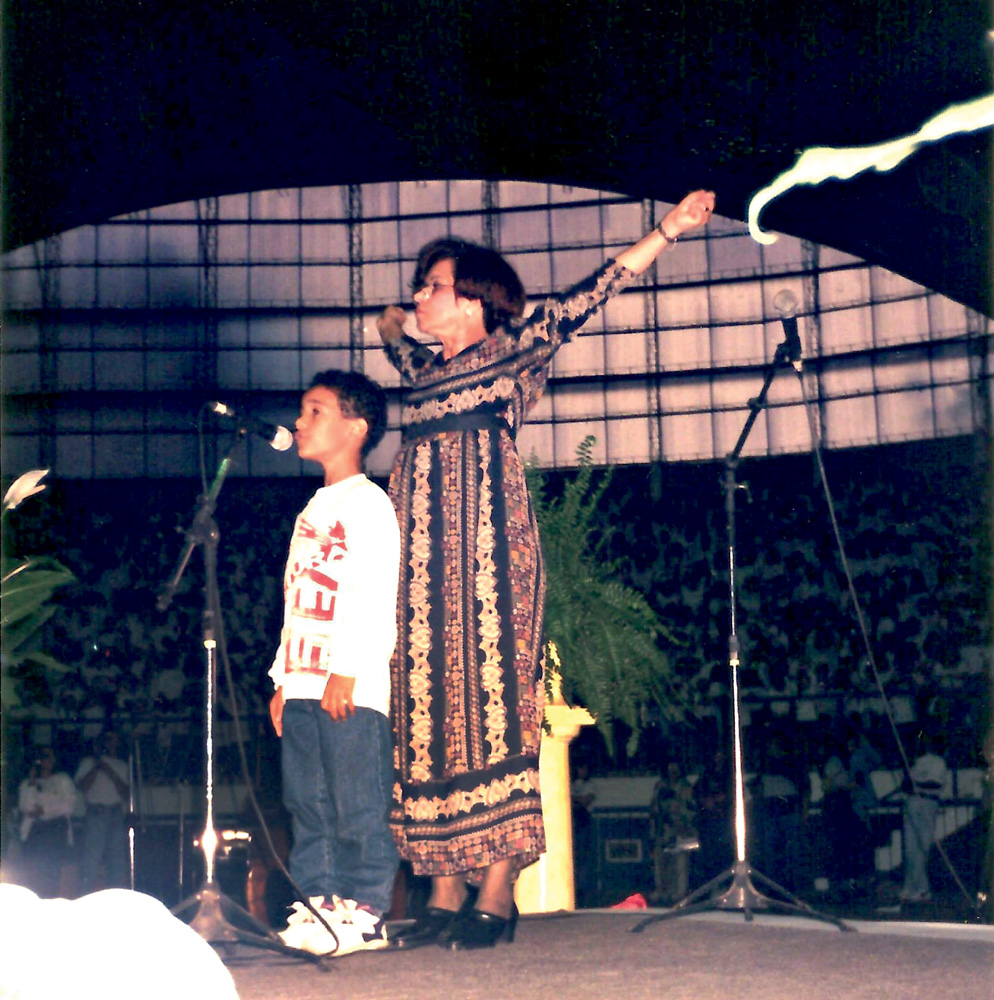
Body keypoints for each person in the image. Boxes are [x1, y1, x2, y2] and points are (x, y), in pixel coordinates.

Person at [378, 189, 715, 950]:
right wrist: (389, 326)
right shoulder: (418, 372)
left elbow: (593, 293)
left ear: (472, 303)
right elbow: (392, 338)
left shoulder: (516, 349)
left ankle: (497, 889)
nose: (420, 297)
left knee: (493, 709)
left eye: (432, 286)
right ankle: (443, 885)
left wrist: (666, 229)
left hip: (491, 557)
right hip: (420, 565)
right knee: (429, 712)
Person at [268, 369, 401, 956]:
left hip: (350, 679)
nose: (299, 422)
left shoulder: (369, 503)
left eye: (314, 411)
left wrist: (348, 667)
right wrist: (281, 679)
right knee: (307, 800)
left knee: (356, 799)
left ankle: (366, 908)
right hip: (302, 678)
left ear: (356, 427)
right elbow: (297, 595)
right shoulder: (313, 507)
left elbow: (374, 590)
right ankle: (319, 903)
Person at [16, 745, 77, 897]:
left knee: (52, 872)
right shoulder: (27, 784)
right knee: (33, 873)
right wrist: (32, 782)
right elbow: (26, 806)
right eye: (43, 757)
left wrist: (44, 810)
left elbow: (67, 806)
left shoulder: (63, 780)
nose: (47, 760)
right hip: (35, 831)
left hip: (55, 830)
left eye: (49, 756)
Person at [74, 731, 131, 894]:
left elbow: (126, 793)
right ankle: (84, 897)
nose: (111, 744)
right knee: (90, 860)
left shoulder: (122, 765)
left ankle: (116, 897)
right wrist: (97, 766)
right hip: (96, 812)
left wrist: (109, 770)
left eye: (114, 740)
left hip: (116, 813)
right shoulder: (88, 762)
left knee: (117, 861)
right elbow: (82, 786)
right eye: (108, 740)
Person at [900, 733, 948, 904]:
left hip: (927, 803)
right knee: (910, 848)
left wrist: (916, 785)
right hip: (912, 804)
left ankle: (922, 889)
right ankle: (911, 887)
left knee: (922, 848)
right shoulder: (915, 763)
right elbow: (906, 785)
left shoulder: (937, 762)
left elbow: (935, 783)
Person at [648, 761, 697, 904]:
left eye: (676, 767)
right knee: (661, 863)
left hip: (681, 831)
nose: (672, 770)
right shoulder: (660, 785)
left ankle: (680, 895)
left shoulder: (686, 786)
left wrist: (679, 819)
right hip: (662, 831)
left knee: (680, 864)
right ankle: (662, 892)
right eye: (670, 767)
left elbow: (691, 810)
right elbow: (653, 809)